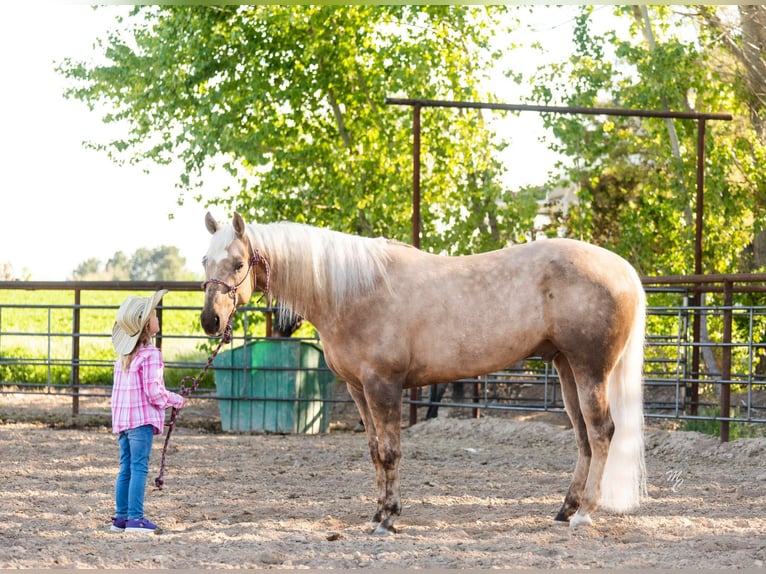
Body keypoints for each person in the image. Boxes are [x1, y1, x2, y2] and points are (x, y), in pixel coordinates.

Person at [109, 289, 185, 534]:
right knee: (140, 467)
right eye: (154, 315)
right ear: (146, 326)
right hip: (141, 422)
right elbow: (154, 392)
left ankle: (121, 518)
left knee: (126, 466)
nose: (158, 318)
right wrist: (176, 400)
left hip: (123, 422)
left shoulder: (123, 357)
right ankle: (136, 519)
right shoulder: (151, 354)